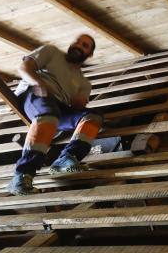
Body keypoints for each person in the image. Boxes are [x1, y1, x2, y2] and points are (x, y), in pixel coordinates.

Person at [7, 34, 103, 195]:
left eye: (85, 45)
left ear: (90, 54)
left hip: (59, 108)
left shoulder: (84, 83)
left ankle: (65, 160)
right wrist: (39, 83)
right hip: (35, 94)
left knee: (94, 116)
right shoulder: (51, 52)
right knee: (48, 114)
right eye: (77, 42)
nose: (78, 45)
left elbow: (76, 106)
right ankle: (22, 175)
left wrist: (79, 102)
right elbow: (24, 68)